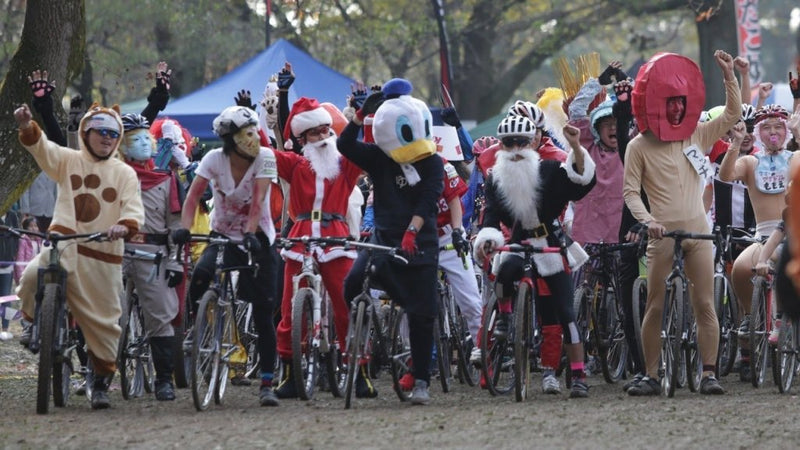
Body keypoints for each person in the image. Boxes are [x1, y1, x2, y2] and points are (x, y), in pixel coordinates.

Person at [623, 49, 741, 396]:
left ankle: (708, 373)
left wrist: (728, 75)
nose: (676, 108)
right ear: (654, 104)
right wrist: (649, 221)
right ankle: (651, 374)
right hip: (662, 235)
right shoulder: (638, 146)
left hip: (699, 234)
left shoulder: (697, 135)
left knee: (705, 303)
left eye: (680, 101)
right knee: (654, 304)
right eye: (669, 102)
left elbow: (733, 113)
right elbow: (630, 194)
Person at [13, 102, 145, 409]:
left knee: (106, 325)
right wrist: (26, 126)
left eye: (113, 133)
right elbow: (43, 149)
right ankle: (35, 323)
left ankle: (100, 383)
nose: (107, 138)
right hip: (64, 245)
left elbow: (132, 207)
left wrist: (123, 226)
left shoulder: (125, 173)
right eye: (100, 131)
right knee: (32, 275)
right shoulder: (69, 160)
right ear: (86, 132)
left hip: (102, 256)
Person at [473, 115, 596, 398]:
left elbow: (581, 184)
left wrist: (576, 148)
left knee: (565, 311)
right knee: (503, 273)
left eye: (521, 142)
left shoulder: (551, 170)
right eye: (508, 143)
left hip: (551, 244)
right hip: (519, 242)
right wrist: (489, 240)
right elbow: (491, 215)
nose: (515, 149)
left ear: (533, 142)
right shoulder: (495, 180)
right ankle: (504, 316)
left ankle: (578, 373)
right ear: (501, 147)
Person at [338, 78, 444, 405]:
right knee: (352, 284)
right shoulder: (381, 157)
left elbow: (427, 200)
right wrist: (358, 117)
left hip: (420, 243)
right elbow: (345, 147)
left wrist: (412, 231)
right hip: (383, 240)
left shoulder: (433, 161)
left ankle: (422, 379)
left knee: (422, 313)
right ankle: (363, 348)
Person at [171, 105, 281, 407]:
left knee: (262, 309)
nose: (253, 137)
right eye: (246, 133)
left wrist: (249, 234)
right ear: (230, 139)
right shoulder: (212, 160)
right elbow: (193, 196)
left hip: (257, 236)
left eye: (254, 130)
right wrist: (184, 228)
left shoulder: (265, 158)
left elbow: (258, 202)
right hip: (222, 234)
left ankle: (267, 383)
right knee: (202, 274)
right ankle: (196, 329)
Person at [270, 97, 362, 399]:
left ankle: (358, 370)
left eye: (326, 131)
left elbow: (368, 150)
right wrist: (248, 126)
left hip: (336, 235)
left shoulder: (346, 163)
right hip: (300, 236)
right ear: (301, 139)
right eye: (315, 133)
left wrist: (362, 119)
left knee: (345, 303)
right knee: (289, 305)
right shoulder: (295, 163)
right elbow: (262, 152)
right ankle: (290, 372)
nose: (323, 137)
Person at [718, 104, 800, 381]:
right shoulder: (752, 162)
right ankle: (750, 316)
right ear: (759, 132)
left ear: (787, 130)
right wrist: (736, 143)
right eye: (766, 127)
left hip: (795, 232)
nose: (773, 132)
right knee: (740, 268)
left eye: (778, 126)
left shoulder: (795, 158)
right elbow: (725, 176)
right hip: (763, 234)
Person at [117, 113, 184, 401]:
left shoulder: (166, 179)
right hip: (115, 253)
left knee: (160, 316)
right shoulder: (110, 177)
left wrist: (175, 260)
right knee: (105, 315)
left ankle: (164, 380)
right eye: (135, 138)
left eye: (147, 136)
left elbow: (177, 223)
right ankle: (98, 378)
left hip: (154, 254)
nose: (144, 142)